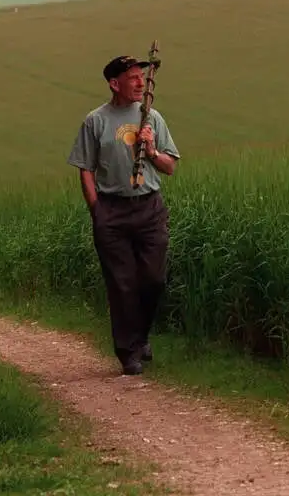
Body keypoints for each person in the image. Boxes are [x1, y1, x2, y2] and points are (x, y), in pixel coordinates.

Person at [67, 53, 181, 376]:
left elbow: (170, 167)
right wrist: (97, 210)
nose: (139, 82)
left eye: (141, 77)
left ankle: (141, 336)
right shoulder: (96, 121)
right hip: (112, 211)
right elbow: (85, 168)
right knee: (122, 284)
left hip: (149, 208)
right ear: (114, 83)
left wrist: (153, 149)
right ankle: (128, 352)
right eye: (132, 77)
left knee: (153, 279)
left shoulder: (152, 118)